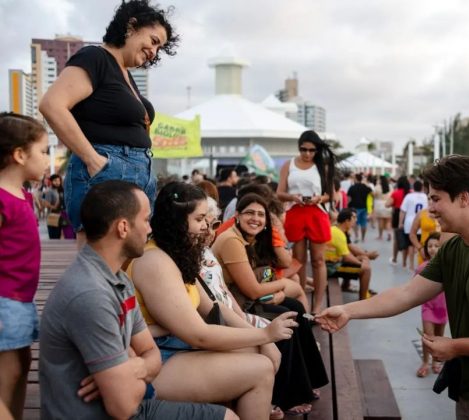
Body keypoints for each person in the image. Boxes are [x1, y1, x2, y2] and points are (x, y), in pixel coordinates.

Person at [317, 155, 469, 419]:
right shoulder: (454, 248)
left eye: (436, 199)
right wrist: (348, 311)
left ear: (464, 198)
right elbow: (407, 293)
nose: (430, 208)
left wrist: (455, 347)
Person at [39, 181, 233, 420]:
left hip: (131, 402)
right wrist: (137, 366)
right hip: (108, 413)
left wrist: (135, 366)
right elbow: (124, 407)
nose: (150, 228)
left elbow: (150, 352)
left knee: (227, 414)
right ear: (123, 227)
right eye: (145, 220)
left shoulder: (117, 277)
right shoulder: (90, 294)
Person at [127, 182, 302, 419]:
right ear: (178, 221)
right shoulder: (156, 262)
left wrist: (264, 341)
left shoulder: (173, 253)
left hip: (173, 348)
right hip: (157, 361)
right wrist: (265, 334)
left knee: (256, 352)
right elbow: (199, 334)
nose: (206, 228)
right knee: (260, 369)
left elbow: (213, 307)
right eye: (200, 220)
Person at [39, 0, 180, 242]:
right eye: (154, 41)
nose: (154, 52)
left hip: (137, 172)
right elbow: (52, 105)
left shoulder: (124, 73)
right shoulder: (95, 57)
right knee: (99, 265)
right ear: (132, 26)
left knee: (124, 267)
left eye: (160, 48)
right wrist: (93, 160)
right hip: (107, 170)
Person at [212, 193, 329, 416]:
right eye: (249, 213)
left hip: (249, 302)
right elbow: (252, 290)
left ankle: (308, 381)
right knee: (288, 321)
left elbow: (263, 278)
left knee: (295, 306)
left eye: (260, 214)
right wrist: (283, 284)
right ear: (236, 216)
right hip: (238, 308)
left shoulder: (250, 240)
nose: (255, 219)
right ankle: (287, 397)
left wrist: (278, 290)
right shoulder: (231, 241)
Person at [0, 113, 49, 420]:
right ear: (19, 154)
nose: (47, 160)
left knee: (22, 365)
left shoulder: (23, 195)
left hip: (21, 299)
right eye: (43, 151)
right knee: (9, 372)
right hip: (5, 301)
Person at [277, 130, 337, 314]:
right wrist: (292, 197)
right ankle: (303, 301)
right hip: (296, 211)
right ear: (299, 147)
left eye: (312, 150)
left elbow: (331, 195)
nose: (308, 153)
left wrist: (319, 198)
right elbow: (279, 192)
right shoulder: (289, 165)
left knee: (319, 261)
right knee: (299, 260)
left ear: (317, 150)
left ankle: (318, 305)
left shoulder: (322, 167)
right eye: (304, 149)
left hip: (316, 213)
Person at [414, 232, 448, 378]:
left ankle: (436, 362)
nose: (433, 249)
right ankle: (425, 362)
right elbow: (413, 287)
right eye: (430, 246)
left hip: (444, 307)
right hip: (428, 306)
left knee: (439, 336)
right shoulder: (422, 267)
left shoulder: (449, 267)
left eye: (436, 246)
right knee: (428, 336)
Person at [325, 209, 374, 300]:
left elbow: (347, 253)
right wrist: (361, 264)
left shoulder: (336, 229)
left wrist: (362, 257)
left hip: (331, 263)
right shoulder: (339, 234)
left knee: (361, 259)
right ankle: (363, 298)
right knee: (366, 269)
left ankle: (347, 286)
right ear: (347, 221)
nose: (355, 220)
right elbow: (347, 258)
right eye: (353, 218)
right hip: (331, 267)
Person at [399, 180, 428, 271]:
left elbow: (403, 211)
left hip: (409, 223)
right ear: (422, 187)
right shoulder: (425, 197)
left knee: (410, 245)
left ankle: (411, 264)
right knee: (420, 244)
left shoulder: (408, 196)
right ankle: (421, 263)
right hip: (422, 221)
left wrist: (400, 222)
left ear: (413, 187)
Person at [42, 174, 76, 239]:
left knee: (68, 235)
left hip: (64, 216)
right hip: (53, 216)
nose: (57, 182)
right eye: (55, 180)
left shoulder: (62, 190)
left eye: (58, 180)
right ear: (51, 181)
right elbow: (46, 204)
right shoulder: (49, 191)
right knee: (54, 236)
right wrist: (54, 206)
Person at [387, 175, 410, 265]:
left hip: (397, 214)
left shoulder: (396, 193)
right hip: (408, 215)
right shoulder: (410, 193)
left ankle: (395, 258)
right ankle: (404, 262)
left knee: (397, 238)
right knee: (406, 238)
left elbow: (387, 204)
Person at [347, 173, 373, 243]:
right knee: (364, 223)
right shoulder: (365, 187)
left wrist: (347, 206)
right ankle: (363, 238)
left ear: (355, 179)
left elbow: (349, 198)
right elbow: (372, 194)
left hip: (354, 207)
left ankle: (356, 236)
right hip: (364, 207)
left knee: (355, 222)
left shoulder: (352, 187)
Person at [373, 175, 392, 240]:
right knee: (388, 221)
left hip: (379, 205)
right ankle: (389, 233)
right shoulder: (390, 186)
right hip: (388, 204)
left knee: (380, 221)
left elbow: (373, 194)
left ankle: (380, 236)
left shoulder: (377, 187)